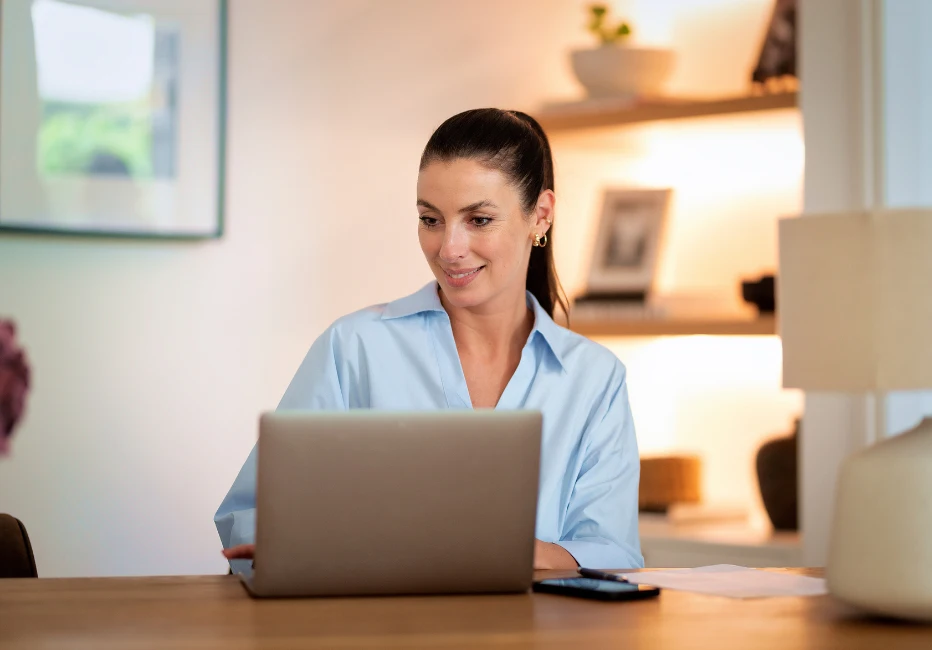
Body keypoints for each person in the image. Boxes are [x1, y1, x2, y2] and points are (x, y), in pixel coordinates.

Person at [215, 108, 643, 573]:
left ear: (540, 215)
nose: (448, 248)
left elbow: (614, 554)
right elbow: (251, 520)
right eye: (431, 219)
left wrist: (487, 549)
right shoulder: (356, 347)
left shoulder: (594, 379)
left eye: (478, 220)